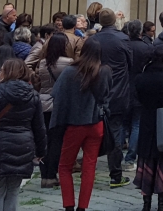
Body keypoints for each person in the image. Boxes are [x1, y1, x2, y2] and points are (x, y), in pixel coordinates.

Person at [0, 59, 48, 211]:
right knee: (13, 192)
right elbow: (39, 126)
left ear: (8, 72)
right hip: (22, 146)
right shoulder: (33, 95)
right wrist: (41, 151)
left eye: (2, 70)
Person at [51, 38, 110, 211]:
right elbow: (106, 97)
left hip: (75, 124)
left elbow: (57, 95)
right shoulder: (104, 71)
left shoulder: (70, 72)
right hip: (96, 123)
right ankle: (82, 207)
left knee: (64, 166)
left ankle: (69, 205)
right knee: (89, 166)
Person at [92, 8, 133, 188]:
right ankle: (115, 174)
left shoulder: (93, 40)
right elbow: (130, 64)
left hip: (96, 90)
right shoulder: (123, 39)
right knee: (115, 132)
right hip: (118, 91)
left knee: (92, 131)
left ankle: (89, 169)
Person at [134, 46, 163, 211]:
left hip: (146, 122)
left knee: (146, 163)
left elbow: (137, 98)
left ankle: (146, 203)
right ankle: (161, 203)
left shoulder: (140, 78)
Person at [35, 33, 73, 189]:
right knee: (57, 142)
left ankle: (44, 175)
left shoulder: (42, 63)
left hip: (43, 103)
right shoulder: (69, 63)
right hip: (60, 104)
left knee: (45, 141)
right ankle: (51, 174)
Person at [124, 20, 154, 171]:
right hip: (140, 88)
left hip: (122, 88)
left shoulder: (123, 46)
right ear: (141, 31)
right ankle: (130, 159)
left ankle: (115, 159)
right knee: (136, 124)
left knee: (121, 125)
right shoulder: (147, 48)